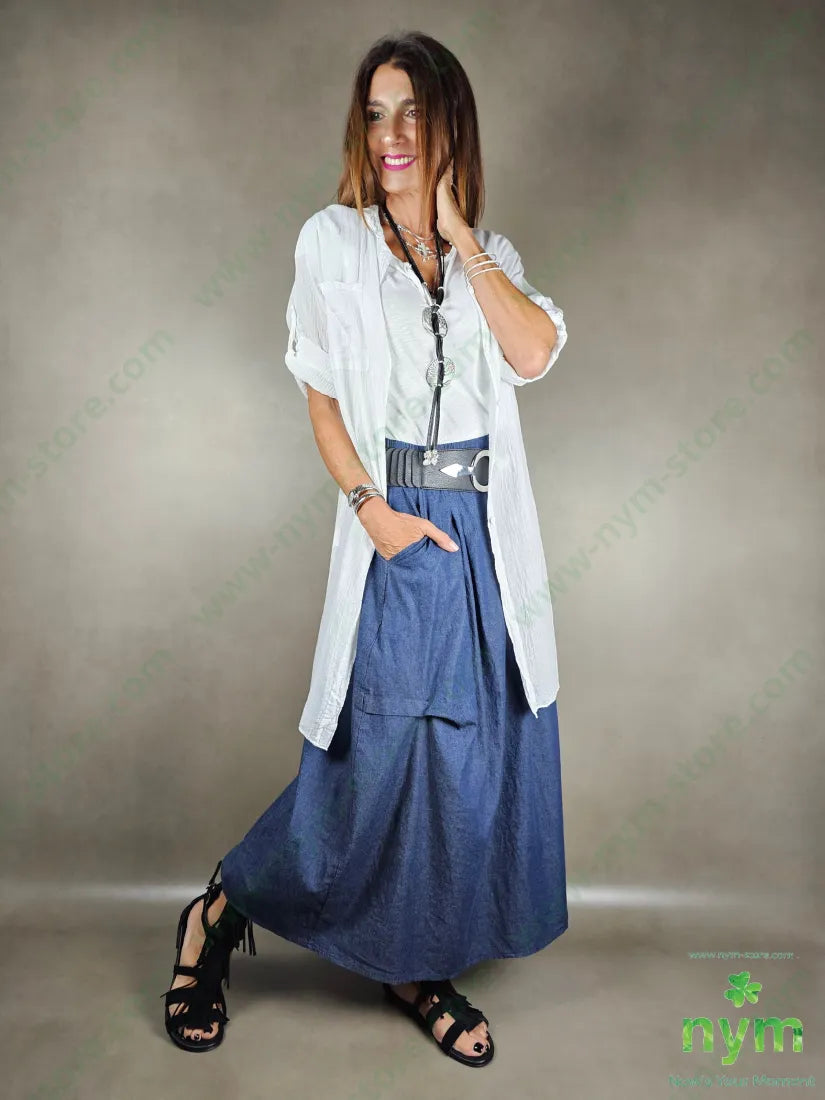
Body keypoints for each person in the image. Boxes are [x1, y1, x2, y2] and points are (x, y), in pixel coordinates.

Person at [161, 30, 569, 1068]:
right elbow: (321, 398)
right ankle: (219, 910)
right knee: (374, 763)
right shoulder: (332, 244)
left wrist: (458, 233)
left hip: (483, 536)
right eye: (377, 114)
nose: (391, 135)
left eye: (413, 114)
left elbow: (531, 352)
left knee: (461, 765)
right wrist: (370, 510)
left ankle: (413, 962)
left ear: (450, 126)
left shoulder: (492, 258)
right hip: (395, 519)